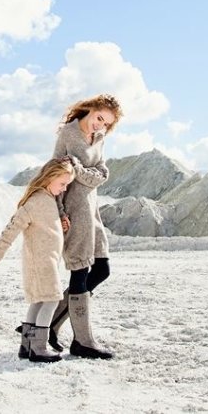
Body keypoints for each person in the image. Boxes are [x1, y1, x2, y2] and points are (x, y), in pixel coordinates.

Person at [48, 94, 123, 359]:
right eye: (98, 118)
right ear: (89, 110)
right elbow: (53, 172)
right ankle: (83, 342)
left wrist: (82, 172)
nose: (99, 125)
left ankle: (49, 323)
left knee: (102, 269)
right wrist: (59, 211)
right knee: (79, 271)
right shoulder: (68, 135)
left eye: (106, 123)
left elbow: (102, 172)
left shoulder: (99, 139)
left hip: (92, 210)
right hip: (74, 210)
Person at [0, 157, 74, 363]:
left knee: (39, 300)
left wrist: (59, 224)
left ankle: (26, 346)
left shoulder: (47, 199)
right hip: (40, 262)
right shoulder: (36, 201)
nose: (63, 189)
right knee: (52, 298)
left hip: (47, 261)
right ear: (49, 178)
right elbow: (13, 226)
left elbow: (45, 227)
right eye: (62, 184)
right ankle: (39, 347)